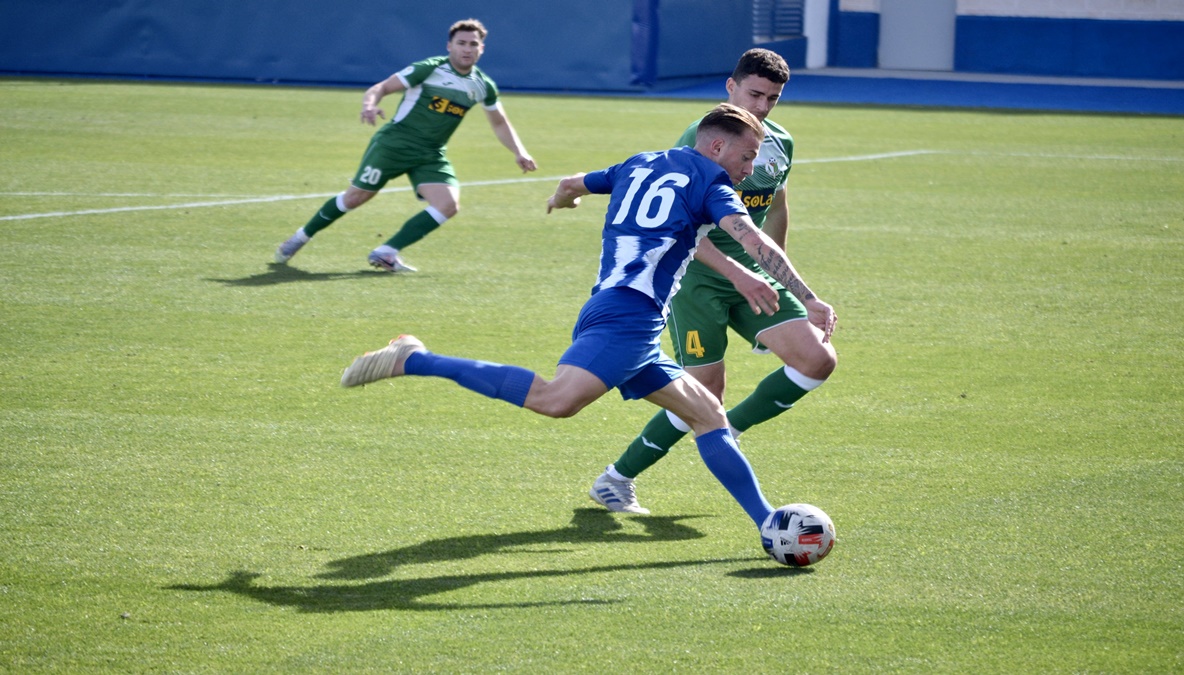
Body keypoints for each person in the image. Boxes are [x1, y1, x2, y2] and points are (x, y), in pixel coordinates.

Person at [339, 103, 835, 534]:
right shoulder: (713, 183)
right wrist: (808, 298)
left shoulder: (639, 163)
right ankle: (416, 359)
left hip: (625, 313)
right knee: (555, 400)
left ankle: (767, 521)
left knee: (708, 414)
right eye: (747, 157)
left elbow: (572, 183)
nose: (751, 170)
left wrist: (563, 199)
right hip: (627, 317)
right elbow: (754, 241)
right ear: (718, 147)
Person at [588, 48, 837, 514]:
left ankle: (729, 429)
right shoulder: (703, 139)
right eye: (755, 94)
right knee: (704, 391)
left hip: (755, 275)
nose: (762, 107)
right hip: (697, 279)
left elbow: (776, 209)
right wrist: (740, 273)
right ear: (731, 87)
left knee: (816, 359)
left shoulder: (778, 142)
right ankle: (616, 479)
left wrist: (785, 280)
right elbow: (678, 224)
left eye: (773, 99)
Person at [273, 18, 537, 272]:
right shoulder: (430, 69)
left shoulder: (483, 85)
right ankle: (299, 237)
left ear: (482, 49)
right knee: (355, 197)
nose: (467, 49)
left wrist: (519, 151)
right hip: (394, 144)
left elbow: (500, 123)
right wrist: (369, 105)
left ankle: (387, 252)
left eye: (473, 44)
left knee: (448, 205)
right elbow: (381, 87)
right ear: (449, 46)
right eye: (461, 43)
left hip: (430, 153)